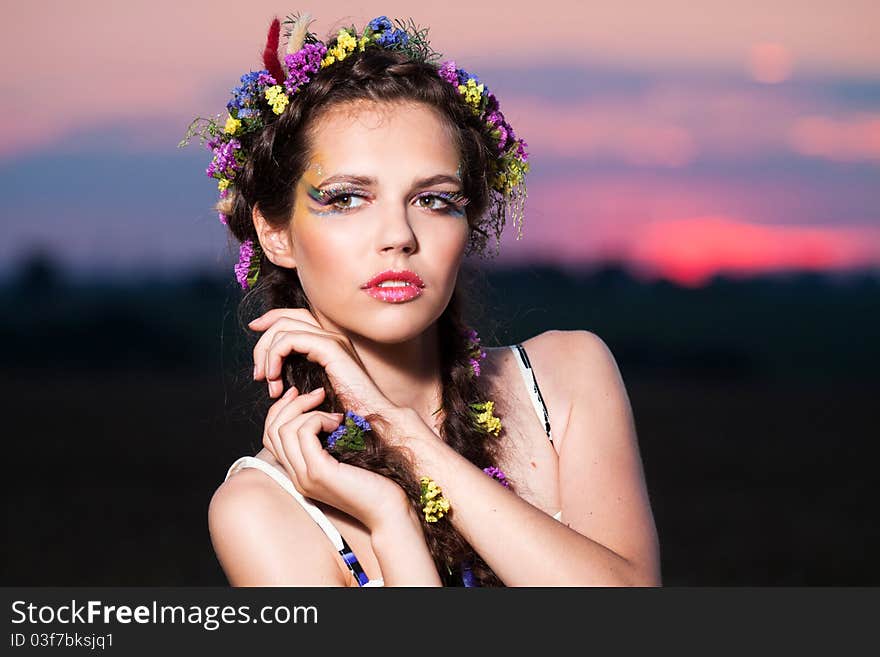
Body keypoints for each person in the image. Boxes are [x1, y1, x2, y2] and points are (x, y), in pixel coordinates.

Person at [184, 12, 661, 586]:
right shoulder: (263, 510)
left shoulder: (567, 379)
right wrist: (391, 521)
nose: (399, 236)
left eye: (434, 200)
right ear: (276, 234)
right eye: (345, 199)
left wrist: (399, 431)